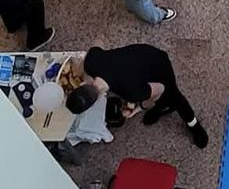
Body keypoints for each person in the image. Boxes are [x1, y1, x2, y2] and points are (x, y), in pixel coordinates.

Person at [74, 44, 208, 147]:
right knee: (158, 99)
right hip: (142, 53)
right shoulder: (91, 61)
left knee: (173, 96)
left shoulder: (132, 92)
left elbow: (160, 89)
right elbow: (99, 41)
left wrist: (140, 107)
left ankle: (194, 125)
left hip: (159, 66)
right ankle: (160, 108)